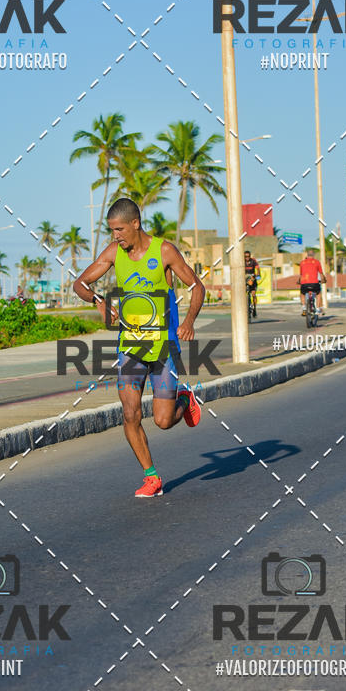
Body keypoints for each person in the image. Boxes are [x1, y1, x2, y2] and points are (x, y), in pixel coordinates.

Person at [72, 198, 205, 498]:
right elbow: (80, 283)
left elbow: (197, 286)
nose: (115, 236)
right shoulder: (113, 253)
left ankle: (184, 399)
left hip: (163, 347)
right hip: (130, 347)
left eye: (119, 229)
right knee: (130, 413)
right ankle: (151, 477)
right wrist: (99, 302)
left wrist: (189, 321)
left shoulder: (165, 251)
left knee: (163, 420)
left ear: (135, 223)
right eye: (111, 231)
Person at [298, 249, 327, 315]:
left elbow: (301, 274)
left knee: (302, 294)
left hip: (304, 284)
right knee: (318, 294)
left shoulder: (302, 262)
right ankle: (317, 309)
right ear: (314, 255)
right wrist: (324, 280)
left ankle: (304, 308)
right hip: (314, 283)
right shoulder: (317, 262)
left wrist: (299, 281)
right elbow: (321, 274)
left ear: (307, 255)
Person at [244, 250, 260, 317]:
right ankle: (246, 306)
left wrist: (258, 274)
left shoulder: (253, 261)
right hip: (244, 278)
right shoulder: (242, 262)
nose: (247, 258)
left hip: (252, 278)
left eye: (248, 256)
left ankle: (255, 309)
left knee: (253, 294)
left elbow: (257, 268)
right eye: (245, 256)